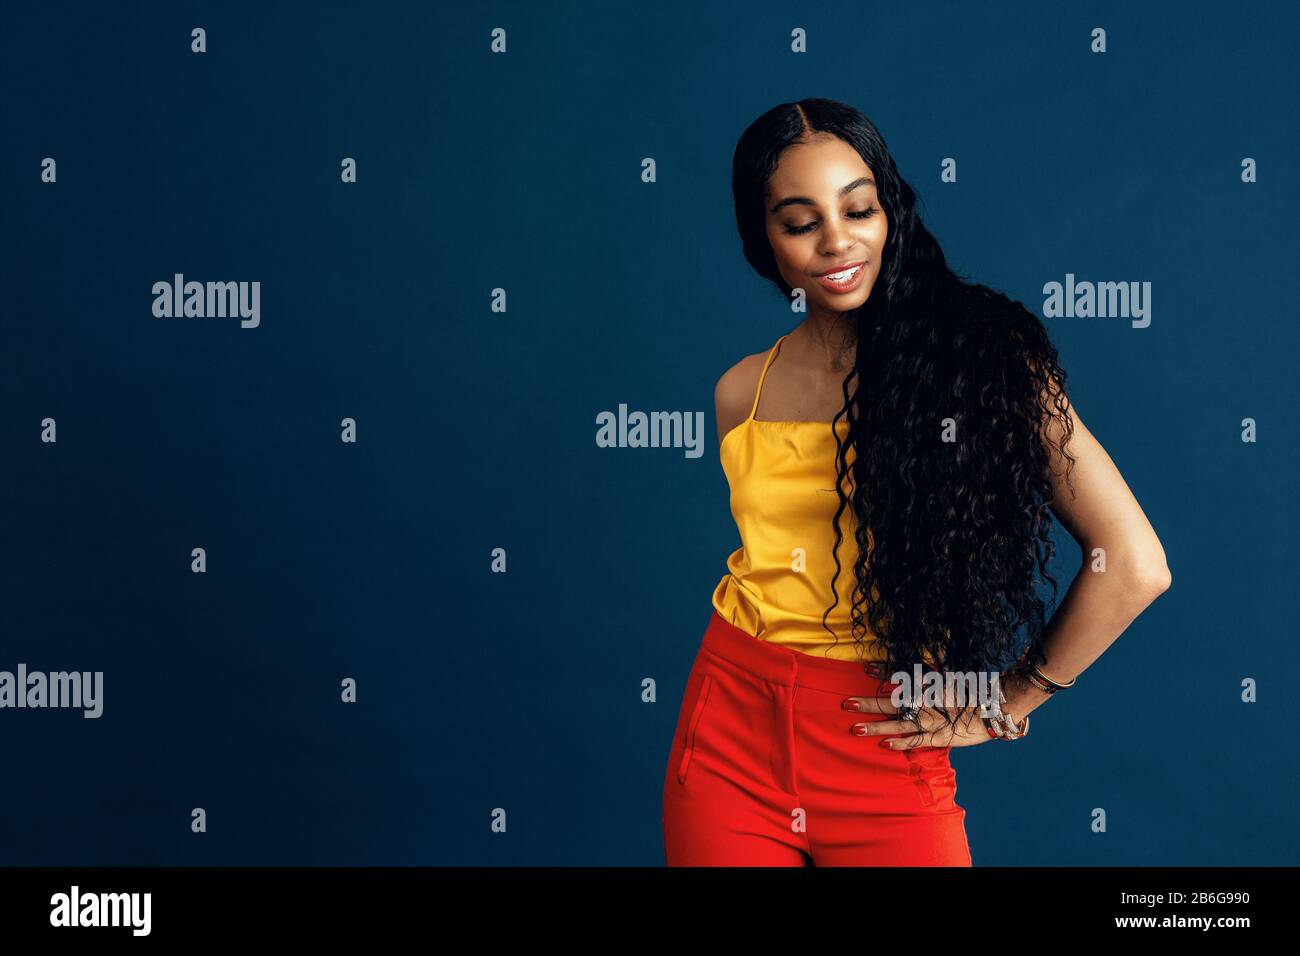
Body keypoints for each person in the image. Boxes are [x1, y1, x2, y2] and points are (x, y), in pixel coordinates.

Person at [661, 98, 1171, 866]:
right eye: (800, 223)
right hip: (731, 725)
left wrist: (1010, 699)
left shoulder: (984, 366)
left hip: (881, 735)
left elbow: (1134, 563)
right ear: (761, 241)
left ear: (890, 210)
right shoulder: (742, 394)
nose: (838, 241)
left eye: (859, 209)